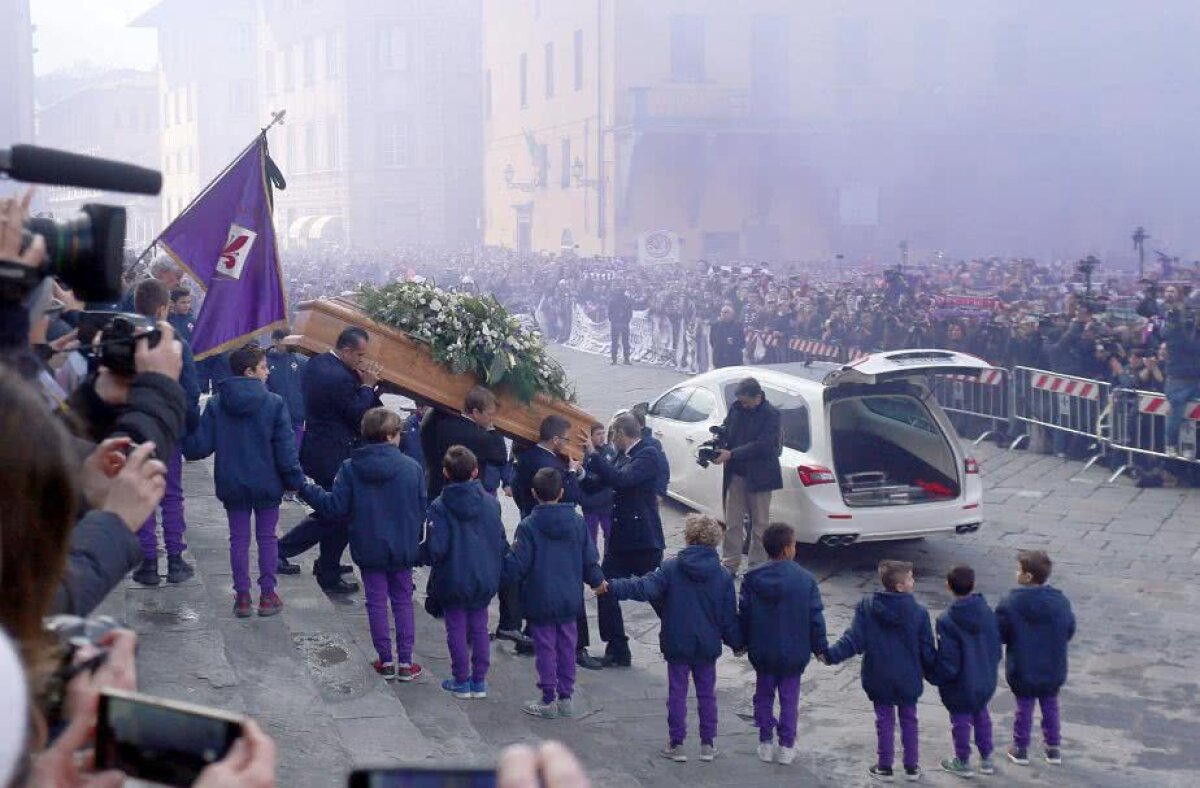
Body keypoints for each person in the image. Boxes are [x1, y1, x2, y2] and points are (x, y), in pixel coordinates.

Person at [602, 514, 741, 763]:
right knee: (707, 693)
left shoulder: (671, 568)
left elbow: (643, 588)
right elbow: (728, 616)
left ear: (688, 538)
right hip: (707, 644)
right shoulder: (722, 576)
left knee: (677, 692)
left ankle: (676, 744)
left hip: (677, 639)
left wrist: (612, 586)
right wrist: (738, 643)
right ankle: (708, 744)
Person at [301, 407, 426, 680]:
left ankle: (385, 659)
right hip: (403, 547)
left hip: (368, 545)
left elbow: (334, 506)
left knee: (376, 602)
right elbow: (421, 508)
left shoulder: (350, 468)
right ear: (393, 436)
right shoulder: (412, 469)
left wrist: (307, 487)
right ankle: (406, 662)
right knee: (403, 601)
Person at [183, 344, 305, 617]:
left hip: (232, 481)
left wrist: (183, 423)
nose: (268, 372)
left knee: (238, 539)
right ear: (249, 371)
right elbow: (285, 449)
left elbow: (198, 448)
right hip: (267, 481)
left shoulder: (217, 403)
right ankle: (268, 594)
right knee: (267, 538)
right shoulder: (273, 402)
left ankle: (242, 597)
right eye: (263, 367)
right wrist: (295, 479)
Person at [277, 326, 382, 592]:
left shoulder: (321, 362)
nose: (362, 360)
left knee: (335, 511)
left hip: (322, 447)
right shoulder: (337, 377)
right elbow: (358, 415)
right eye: (359, 355)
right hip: (331, 453)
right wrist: (368, 386)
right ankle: (299, 557)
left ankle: (327, 564)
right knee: (338, 512)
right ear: (345, 350)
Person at [822, 559, 937, 782]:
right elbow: (927, 650)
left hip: (878, 674)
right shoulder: (919, 613)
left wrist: (830, 655)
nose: (914, 581)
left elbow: (854, 640)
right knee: (909, 719)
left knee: (884, 720)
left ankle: (885, 766)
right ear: (900, 586)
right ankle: (912, 766)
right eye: (910, 578)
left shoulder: (868, 607)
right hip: (908, 676)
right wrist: (938, 673)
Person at [505, 468, 605, 719]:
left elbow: (517, 566)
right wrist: (597, 581)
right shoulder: (577, 522)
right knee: (567, 648)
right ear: (561, 493)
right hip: (570, 598)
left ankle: (548, 697)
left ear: (533, 494)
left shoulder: (528, 525)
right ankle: (566, 697)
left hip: (540, 598)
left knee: (546, 649)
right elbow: (589, 559)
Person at [128, 279, 201, 587]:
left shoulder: (123, 338)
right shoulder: (176, 343)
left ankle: (147, 563)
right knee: (171, 495)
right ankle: (174, 559)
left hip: (134, 430)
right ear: (163, 308)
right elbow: (192, 392)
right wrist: (188, 426)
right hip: (169, 431)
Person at [738, 523, 828, 766]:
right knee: (790, 699)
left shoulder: (753, 578)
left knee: (763, 695)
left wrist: (741, 642)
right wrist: (820, 647)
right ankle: (787, 745)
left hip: (763, 651)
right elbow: (815, 617)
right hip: (794, 652)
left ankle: (765, 741)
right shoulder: (806, 580)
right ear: (788, 549)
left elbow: (744, 614)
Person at [511, 415, 598, 668]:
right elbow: (571, 495)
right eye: (567, 439)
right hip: (560, 528)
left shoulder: (525, 459)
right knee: (568, 584)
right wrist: (572, 474)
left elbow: (517, 490)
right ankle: (577, 647)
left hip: (532, 520)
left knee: (537, 580)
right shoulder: (555, 466)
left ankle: (529, 635)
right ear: (557, 440)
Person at [584, 412, 666, 667]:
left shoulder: (648, 454)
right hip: (622, 541)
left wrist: (596, 455)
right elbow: (602, 481)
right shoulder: (623, 456)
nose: (611, 442)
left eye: (612, 436)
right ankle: (617, 647)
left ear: (620, 434)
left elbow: (622, 479)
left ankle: (684, 634)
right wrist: (578, 473)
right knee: (604, 586)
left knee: (658, 594)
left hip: (642, 540)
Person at [427, 446, 508, 700]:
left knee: (456, 631)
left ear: (445, 473)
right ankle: (479, 681)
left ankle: (461, 680)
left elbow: (436, 549)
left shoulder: (440, 506)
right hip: (484, 576)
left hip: (453, 577)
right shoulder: (492, 504)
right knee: (480, 628)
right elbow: (499, 541)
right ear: (475, 472)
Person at [996, 550, 1076, 767]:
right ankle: (1053, 748)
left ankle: (1020, 748)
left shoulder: (1011, 602)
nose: (1016, 573)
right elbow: (1069, 629)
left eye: (1019, 570)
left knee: (1024, 707)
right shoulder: (1060, 602)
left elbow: (1001, 634)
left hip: (1023, 666)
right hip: (1053, 665)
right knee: (1051, 705)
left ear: (1028, 576)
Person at [929, 565, 1002, 779]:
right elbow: (995, 646)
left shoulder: (946, 620)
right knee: (982, 715)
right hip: (984, 677)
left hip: (960, 683)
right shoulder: (988, 612)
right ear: (974, 584)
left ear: (948, 586)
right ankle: (987, 759)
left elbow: (949, 659)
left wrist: (937, 676)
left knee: (960, 721)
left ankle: (962, 761)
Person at [713, 377, 782, 574]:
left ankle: (756, 566)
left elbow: (764, 445)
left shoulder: (772, 415)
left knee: (760, 524)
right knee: (733, 522)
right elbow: (727, 429)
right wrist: (718, 443)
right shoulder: (737, 409)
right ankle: (729, 563)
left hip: (760, 475)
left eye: (746, 401)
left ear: (757, 396)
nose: (743, 405)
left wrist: (732, 454)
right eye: (741, 401)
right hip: (736, 473)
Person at [266, 327, 307, 449]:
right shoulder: (265, 362)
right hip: (276, 418)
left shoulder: (301, 361)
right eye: (285, 342)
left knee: (296, 451)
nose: (288, 346)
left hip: (298, 417)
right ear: (275, 341)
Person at [710, 304, 745, 368]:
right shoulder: (715, 326)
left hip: (734, 360)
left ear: (732, 314)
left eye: (726, 312)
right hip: (719, 359)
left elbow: (742, 342)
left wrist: (733, 343)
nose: (723, 314)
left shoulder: (738, 326)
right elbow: (712, 341)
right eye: (722, 312)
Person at [608, 285, 633, 365]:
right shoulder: (627, 300)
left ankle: (614, 359)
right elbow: (630, 313)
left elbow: (609, 313)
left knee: (615, 341)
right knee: (625, 341)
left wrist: (612, 321)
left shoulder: (612, 300)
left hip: (616, 323)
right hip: (623, 323)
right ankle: (626, 359)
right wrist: (627, 321)